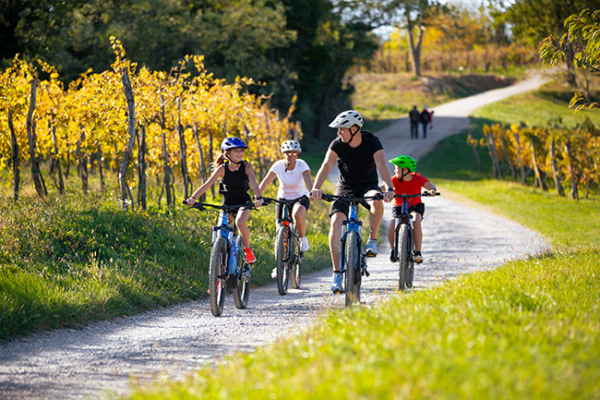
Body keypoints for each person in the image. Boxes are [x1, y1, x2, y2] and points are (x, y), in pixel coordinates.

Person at [311, 110, 394, 293]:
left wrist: (389, 188)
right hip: (345, 188)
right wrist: (316, 187)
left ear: (354, 129)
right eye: (338, 130)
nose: (338, 133)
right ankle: (337, 273)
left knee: (377, 201)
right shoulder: (337, 144)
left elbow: (381, 165)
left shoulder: (372, 141)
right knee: (335, 224)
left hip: (368, 186)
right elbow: (326, 165)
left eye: (342, 129)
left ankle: (372, 240)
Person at [186, 137, 263, 264]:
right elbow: (207, 184)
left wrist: (259, 198)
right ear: (227, 154)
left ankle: (247, 250)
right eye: (235, 151)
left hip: (243, 203)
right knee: (223, 229)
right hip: (227, 204)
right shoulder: (222, 168)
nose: (240, 153)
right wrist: (193, 197)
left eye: (241, 151)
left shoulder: (247, 167)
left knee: (239, 222)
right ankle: (223, 259)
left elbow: (254, 183)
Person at [259, 140, 314, 279]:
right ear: (284, 154)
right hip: (282, 198)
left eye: (294, 153)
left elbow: (308, 181)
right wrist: (257, 196)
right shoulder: (278, 165)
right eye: (288, 153)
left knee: (297, 214)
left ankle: (302, 238)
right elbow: (266, 181)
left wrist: (313, 192)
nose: (291, 156)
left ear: (298, 154)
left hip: (300, 197)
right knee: (280, 233)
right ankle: (279, 266)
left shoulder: (302, 164)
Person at [386, 155, 437, 264]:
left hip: (415, 205)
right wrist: (379, 192)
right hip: (399, 206)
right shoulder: (394, 179)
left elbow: (429, 185)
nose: (394, 170)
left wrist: (432, 190)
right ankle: (393, 249)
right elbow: (383, 187)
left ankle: (418, 252)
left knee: (415, 221)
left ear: (405, 170)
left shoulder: (417, 178)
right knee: (391, 227)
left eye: (396, 168)